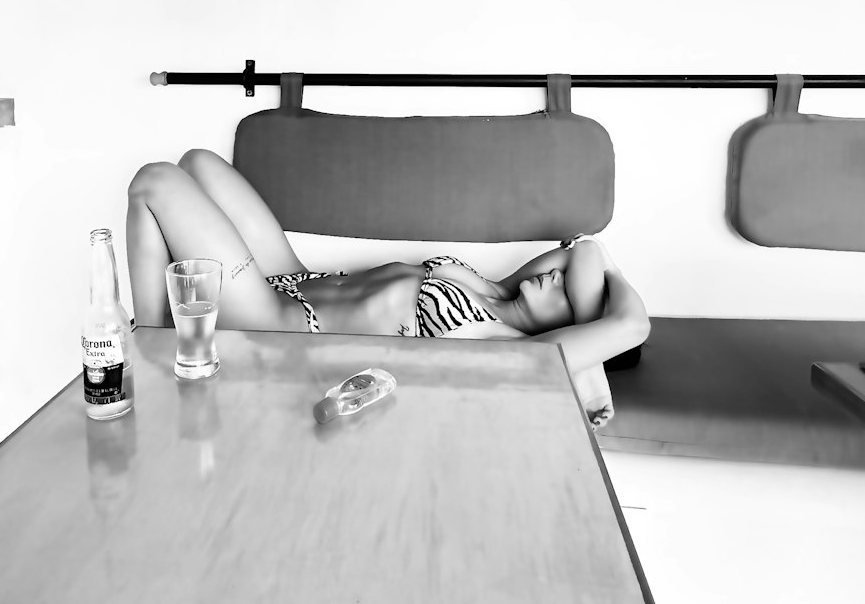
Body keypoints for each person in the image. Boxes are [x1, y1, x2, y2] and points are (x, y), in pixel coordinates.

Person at [126, 149, 650, 426]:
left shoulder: (509, 350)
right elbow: (587, 249)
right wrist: (585, 286)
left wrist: (597, 320)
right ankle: (168, 331)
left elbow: (631, 324)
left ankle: (150, 344)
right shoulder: (500, 291)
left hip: (277, 320)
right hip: (295, 276)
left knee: (154, 181)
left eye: (566, 293)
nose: (555, 274)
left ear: (573, 326)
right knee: (199, 162)